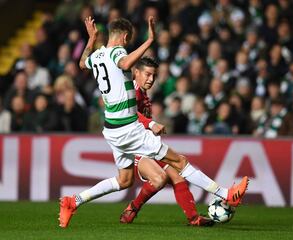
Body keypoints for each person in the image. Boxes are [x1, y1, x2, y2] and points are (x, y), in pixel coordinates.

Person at [59, 16, 249, 228]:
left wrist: (91, 38)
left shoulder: (98, 56)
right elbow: (125, 62)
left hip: (112, 130)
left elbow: (82, 63)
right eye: (127, 41)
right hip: (128, 128)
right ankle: (227, 194)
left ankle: (73, 201)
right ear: (125, 37)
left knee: (124, 180)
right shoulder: (116, 51)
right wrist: (150, 40)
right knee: (179, 162)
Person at [119, 56, 213, 226]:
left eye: (153, 75)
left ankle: (194, 218)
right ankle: (132, 208)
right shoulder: (132, 91)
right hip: (134, 147)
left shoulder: (142, 92)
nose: (151, 79)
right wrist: (151, 123)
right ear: (136, 73)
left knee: (177, 175)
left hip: (147, 145)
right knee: (160, 178)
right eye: (147, 75)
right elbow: (130, 114)